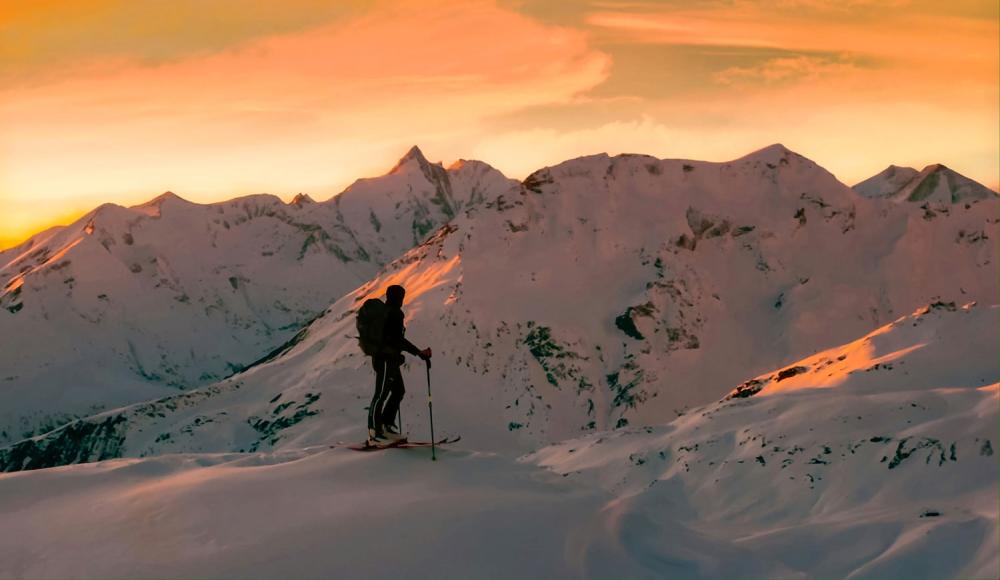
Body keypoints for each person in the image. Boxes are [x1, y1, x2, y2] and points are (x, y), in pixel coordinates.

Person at [368, 284, 432, 443]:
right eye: (401, 296)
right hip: (385, 360)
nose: (402, 299)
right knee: (382, 395)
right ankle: (375, 431)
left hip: (387, 360)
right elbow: (398, 340)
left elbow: (395, 340)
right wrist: (419, 353)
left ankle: (384, 425)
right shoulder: (395, 313)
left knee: (397, 391)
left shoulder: (386, 313)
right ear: (398, 297)